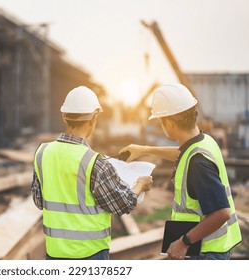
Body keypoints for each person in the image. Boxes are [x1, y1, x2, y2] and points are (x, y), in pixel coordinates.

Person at [119, 83, 242, 260]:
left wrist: (183, 242)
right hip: (211, 248)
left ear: (168, 123)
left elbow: (222, 213)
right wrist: (143, 149)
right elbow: (182, 153)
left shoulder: (198, 163)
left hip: (204, 253)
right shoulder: (204, 142)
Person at [32, 86, 153, 260]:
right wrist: (141, 184)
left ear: (64, 116)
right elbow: (122, 203)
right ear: (94, 117)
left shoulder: (42, 153)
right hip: (90, 255)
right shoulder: (94, 162)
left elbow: (39, 201)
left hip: (54, 254)